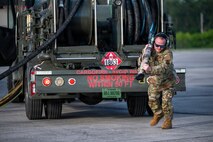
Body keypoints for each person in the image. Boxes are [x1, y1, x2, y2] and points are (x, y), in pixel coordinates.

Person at [138, 32, 179, 129]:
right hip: (155, 81)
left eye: (162, 46)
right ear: (153, 42)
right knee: (152, 100)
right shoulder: (150, 50)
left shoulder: (168, 53)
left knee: (166, 102)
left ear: (166, 44)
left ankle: (168, 121)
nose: (159, 48)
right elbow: (140, 62)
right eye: (157, 45)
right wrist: (144, 55)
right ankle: (158, 114)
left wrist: (150, 69)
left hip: (167, 81)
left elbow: (165, 67)